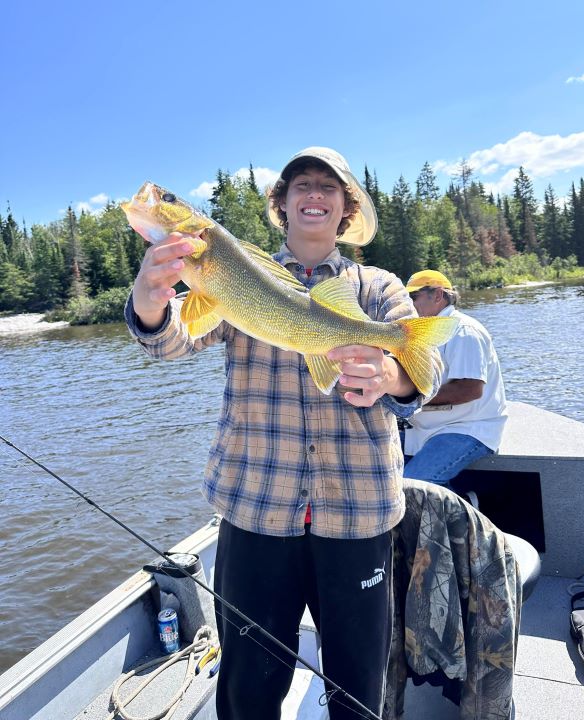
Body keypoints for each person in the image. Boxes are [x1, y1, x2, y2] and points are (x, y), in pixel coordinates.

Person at [125, 146, 442, 720]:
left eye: (328, 186)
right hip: (255, 511)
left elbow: (426, 375)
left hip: (358, 514)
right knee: (249, 687)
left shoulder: (378, 287)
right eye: (301, 186)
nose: (314, 195)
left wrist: (390, 374)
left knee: (358, 684)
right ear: (282, 204)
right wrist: (150, 299)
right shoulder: (231, 270)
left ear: (347, 208)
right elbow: (170, 342)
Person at [402, 269, 507, 487]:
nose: (407, 304)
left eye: (413, 297)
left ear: (438, 295)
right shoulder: (422, 332)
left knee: (412, 486)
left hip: (465, 428)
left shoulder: (464, 330)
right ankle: (463, 503)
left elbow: (468, 389)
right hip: (423, 429)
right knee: (375, 474)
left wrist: (410, 397)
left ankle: (464, 515)